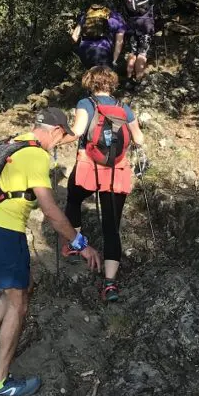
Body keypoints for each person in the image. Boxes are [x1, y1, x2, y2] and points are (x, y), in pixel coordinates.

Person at [0, 107, 101, 396]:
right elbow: (50, 211)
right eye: (61, 136)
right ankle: (0, 384)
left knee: (18, 289)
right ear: (54, 131)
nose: (59, 144)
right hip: (6, 231)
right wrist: (80, 242)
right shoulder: (37, 155)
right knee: (19, 305)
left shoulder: (19, 141)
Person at [61, 66, 145, 303]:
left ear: (90, 82)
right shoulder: (123, 108)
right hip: (117, 169)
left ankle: (76, 245)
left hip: (89, 165)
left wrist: (56, 140)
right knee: (111, 227)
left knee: (74, 198)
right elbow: (138, 138)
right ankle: (110, 284)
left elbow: (78, 131)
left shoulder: (86, 103)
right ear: (111, 83)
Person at [123, 0, 157, 90]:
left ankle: (128, 79)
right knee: (142, 54)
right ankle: (138, 81)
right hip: (146, 25)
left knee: (132, 53)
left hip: (132, 24)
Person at [70, 2, 126, 69]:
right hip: (102, 52)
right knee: (104, 77)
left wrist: (77, 50)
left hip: (84, 51)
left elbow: (74, 37)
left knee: (92, 75)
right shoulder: (117, 18)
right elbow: (119, 43)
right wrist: (114, 60)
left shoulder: (87, 15)